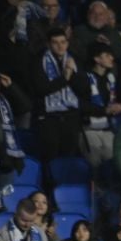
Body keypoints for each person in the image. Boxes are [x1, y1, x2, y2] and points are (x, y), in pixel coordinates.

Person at [31, 28, 82, 162]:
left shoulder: (74, 59)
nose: (60, 46)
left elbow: (83, 88)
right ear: (48, 44)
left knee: (69, 158)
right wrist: (64, 78)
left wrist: (72, 74)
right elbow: (42, 89)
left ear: (67, 43)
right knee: (50, 157)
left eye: (63, 42)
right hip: (49, 117)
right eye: (55, 42)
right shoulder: (38, 61)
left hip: (70, 116)